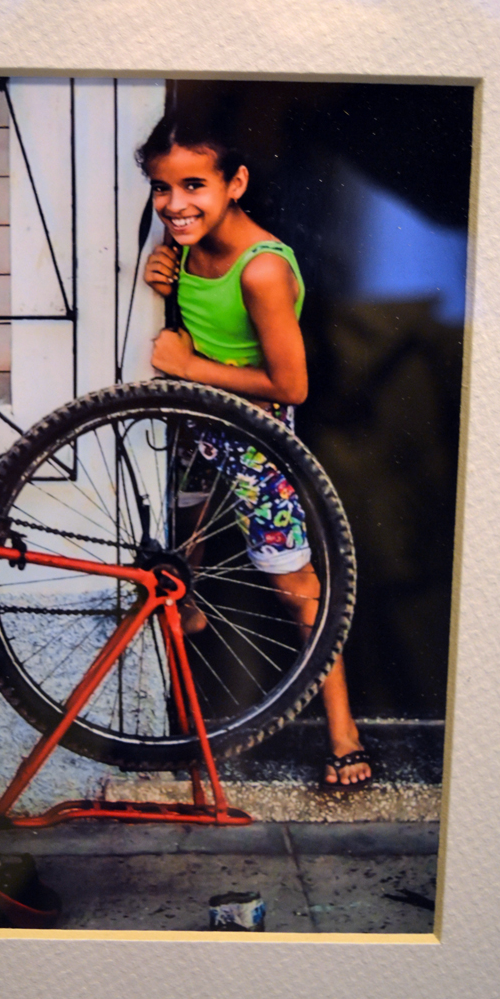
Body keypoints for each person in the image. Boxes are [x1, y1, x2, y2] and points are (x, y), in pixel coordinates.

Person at [139, 114, 371, 789]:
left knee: (296, 588)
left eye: (193, 186)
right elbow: (186, 304)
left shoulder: (262, 269)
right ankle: (183, 717)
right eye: (161, 188)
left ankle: (344, 733)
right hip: (193, 428)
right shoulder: (183, 240)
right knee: (176, 563)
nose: (175, 205)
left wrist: (187, 365)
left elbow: (290, 384)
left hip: (256, 441)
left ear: (235, 183)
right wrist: (165, 280)